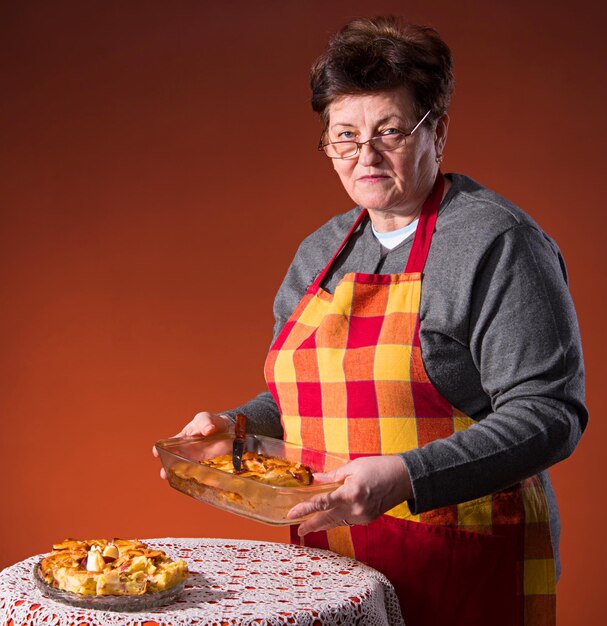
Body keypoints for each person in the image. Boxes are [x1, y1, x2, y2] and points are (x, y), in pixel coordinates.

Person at [155, 16, 587, 626]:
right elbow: (304, 400)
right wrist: (238, 428)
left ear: (436, 130)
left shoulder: (498, 242)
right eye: (345, 136)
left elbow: (550, 413)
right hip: (334, 570)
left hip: (463, 562)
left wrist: (406, 477)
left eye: (389, 131)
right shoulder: (319, 251)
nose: (366, 156)